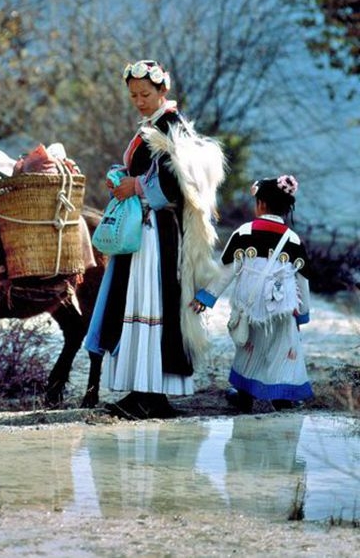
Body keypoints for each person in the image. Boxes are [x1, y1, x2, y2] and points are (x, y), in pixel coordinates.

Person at [84, 60, 225, 419]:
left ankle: (153, 393)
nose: (139, 101)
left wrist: (137, 186)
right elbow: (148, 171)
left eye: (145, 94)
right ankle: (141, 389)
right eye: (133, 95)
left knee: (152, 303)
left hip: (158, 235)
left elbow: (181, 182)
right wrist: (122, 178)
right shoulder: (154, 125)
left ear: (163, 90)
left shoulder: (173, 127)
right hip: (144, 231)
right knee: (136, 301)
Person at [190, 175, 313, 413]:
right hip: (282, 309)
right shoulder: (293, 240)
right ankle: (282, 399)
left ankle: (244, 396)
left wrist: (206, 297)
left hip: (251, 306)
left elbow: (226, 270)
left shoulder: (244, 232)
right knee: (281, 349)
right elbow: (302, 280)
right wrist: (303, 312)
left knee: (249, 349)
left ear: (261, 204)